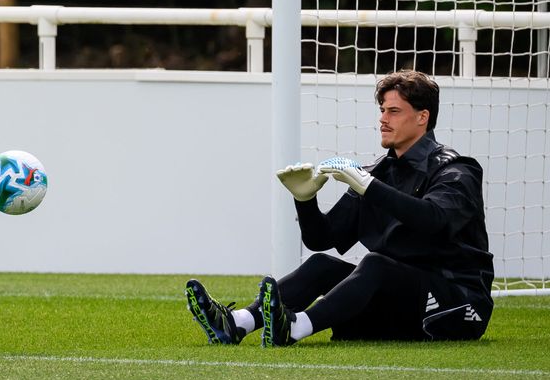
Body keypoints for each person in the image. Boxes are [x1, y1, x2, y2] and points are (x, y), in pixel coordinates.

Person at [184, 69, 494, 347]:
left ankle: (294, 327)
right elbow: (322, 238)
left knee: (375, 264)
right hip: (402, 302)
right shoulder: (377, 174)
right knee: (321, 263)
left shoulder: (457, 170)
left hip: (458, 306)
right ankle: (237, 322)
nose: (383, 119)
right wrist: (305, 200)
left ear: (422, 117)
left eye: (394, 111)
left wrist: (368, 186)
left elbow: (433, 220)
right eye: (382, 110)